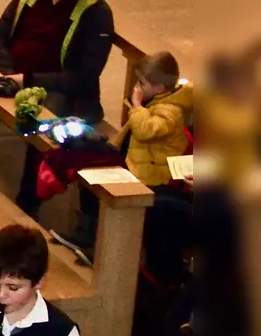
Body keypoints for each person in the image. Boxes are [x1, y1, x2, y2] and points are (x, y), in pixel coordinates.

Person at [0, 0, 115, 215]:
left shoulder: (97, 13)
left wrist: (26, 81)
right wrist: (9, 74)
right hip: (16, 77)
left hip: (65, 96)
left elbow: (84, 76)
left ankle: (26, 205)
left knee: (43, 116)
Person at [53, 52, 193, 258]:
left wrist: (137, 106)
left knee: (104, 178)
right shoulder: (156, 101)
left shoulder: (172, 111)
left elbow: (146, 131)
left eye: (142, 83)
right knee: (89, 163)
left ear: (159, 88)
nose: (137, 87)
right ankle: (87, 231)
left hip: (148, 175)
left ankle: (99, 246)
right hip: (133, 161)